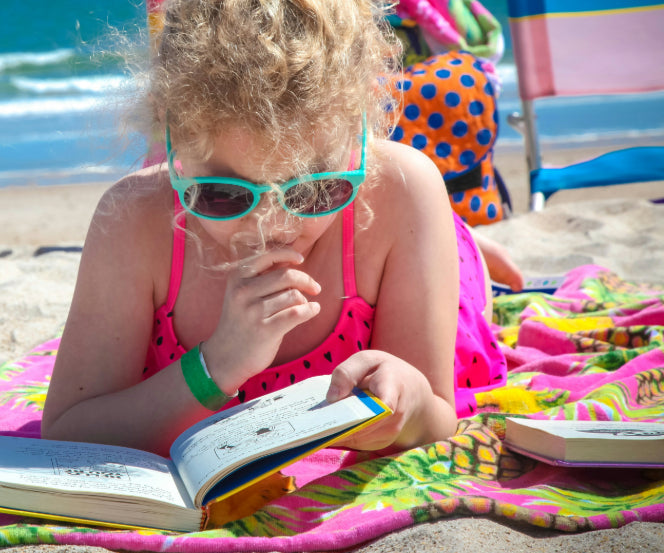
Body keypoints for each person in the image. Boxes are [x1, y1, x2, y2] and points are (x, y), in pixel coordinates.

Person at [42, 0, 507, 457]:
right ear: (172, 142)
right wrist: (217, 364)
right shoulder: (134, 217)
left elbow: (440, 412)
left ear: (359, 134)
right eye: (224, 194)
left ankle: (460, 239)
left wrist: (410, 403)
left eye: (313, 191)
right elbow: (65, 430)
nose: (273, 226)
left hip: (406, 238)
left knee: (464, 274)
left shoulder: (401, 190)